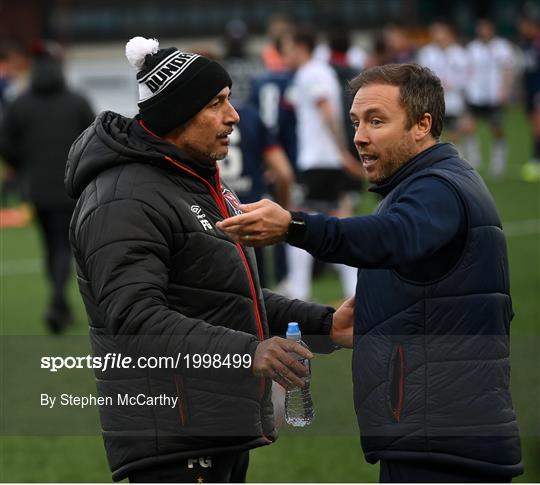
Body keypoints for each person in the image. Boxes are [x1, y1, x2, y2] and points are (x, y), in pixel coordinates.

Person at [65, 36, 352, 483]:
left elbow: (226, 298)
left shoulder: (189, 181)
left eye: (230, 100)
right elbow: (134, 321)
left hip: (212, 431)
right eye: (216, 102)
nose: (233, 115)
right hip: (174, 441)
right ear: (177, 112)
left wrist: (324, 324)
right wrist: (247, 353)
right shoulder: (123, 198)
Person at [218, 63, 523, 483]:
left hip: (445, 446)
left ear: (422, 125)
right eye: (356, 122)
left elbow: (389, 237)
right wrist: (338, 324)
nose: (360, 135)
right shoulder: (420, 185)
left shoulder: (439, 187)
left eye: (377, 121)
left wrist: (294, 226)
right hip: (432, 435)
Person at [0, 40, 94, 333]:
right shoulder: (77, 101)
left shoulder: (20, 104)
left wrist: (22, 163)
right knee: (64, 245)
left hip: (37, 190)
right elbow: (94, 140)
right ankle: (57, 301)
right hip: (71, 189)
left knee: (50, 246)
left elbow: (5, 143)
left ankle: (58, 303)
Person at [278, 25, 360, 301]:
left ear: (301, 48)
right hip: (324, 162)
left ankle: (299, 292)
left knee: (295, 222)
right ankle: (353, 289)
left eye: (287, 49)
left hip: (318, 162)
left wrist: (342, 152)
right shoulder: (314, 72)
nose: (283, 54)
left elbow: (327, 112)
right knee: (335, 222)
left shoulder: (311, 73)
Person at [218, 101, 293, 286]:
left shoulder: (198, 115)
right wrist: (282, 210)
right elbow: (284, 174)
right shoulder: (249, 115)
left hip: (209, 217)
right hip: (248, 220)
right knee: (258, 298)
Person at [463, 18, 515, 177]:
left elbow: (508, 69)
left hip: (494, 95)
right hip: (475, 94)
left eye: (486, 28)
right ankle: (473, 159)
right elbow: (468, 70)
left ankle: (498, 160)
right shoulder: (472, 48)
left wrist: (505, 91)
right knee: (468, 127)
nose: (483, 31)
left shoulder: (502, 47)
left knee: (496, 128)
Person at [417, 20, 469, 148]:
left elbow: (466, 75)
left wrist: (455, 84)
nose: (437, 35)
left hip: (453, 100)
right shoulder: (426, 53)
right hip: (432, 100)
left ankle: (458, 159)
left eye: (440, 31)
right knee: (433, 134)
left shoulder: (459, 53)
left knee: (455, 132)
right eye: (435, 32)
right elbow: (421, 76)